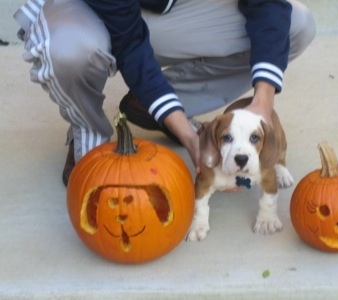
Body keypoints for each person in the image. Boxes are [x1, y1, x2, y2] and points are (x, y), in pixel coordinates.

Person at [14, 0, 315, 186]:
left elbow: (267, 4)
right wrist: (189, 138)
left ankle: (164, 106)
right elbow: (130, 45)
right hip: (84, 8)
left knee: (294, 26)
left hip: (163, 7)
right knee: (69, 51)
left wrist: (262, 102)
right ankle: (88, 132)